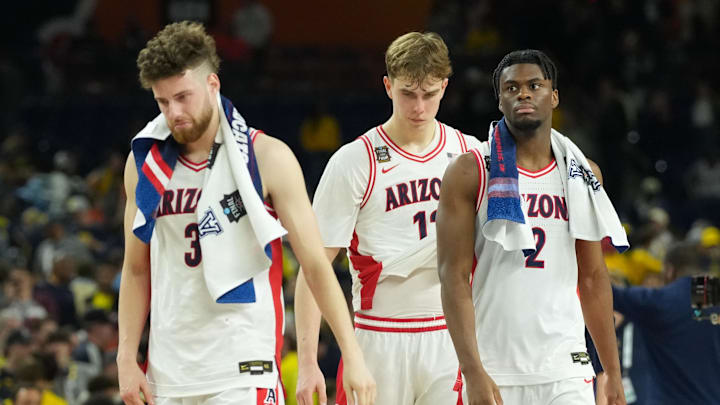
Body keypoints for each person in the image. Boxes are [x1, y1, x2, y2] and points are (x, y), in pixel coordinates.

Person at [116, 21, 375, 405]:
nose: (174, 112)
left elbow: (317, 265)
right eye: (162, 102)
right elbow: (136, 267)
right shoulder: (144, 164)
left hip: (243, 366)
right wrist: (125, 356)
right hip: (168, 372)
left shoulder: (267, 157)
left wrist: (351, 354)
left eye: (183, 97)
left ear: (212, 85)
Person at [294, 32, 482, 405]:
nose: (419, 107)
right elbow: (312, 267)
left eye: (429, 94)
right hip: (377, 337)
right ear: (387, 86)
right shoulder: (354, 160)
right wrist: (307, 361)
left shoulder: (471, 153)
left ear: (445, 87)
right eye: (407, 94)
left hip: (451, 336)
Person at [436, 49, 627, 405]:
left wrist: (612, 372)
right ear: (499, 100)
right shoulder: (470, 170)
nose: (523, 94)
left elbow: (592, 277)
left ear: (553, 96)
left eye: (534, 85)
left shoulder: (583, 174)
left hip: (565, 367)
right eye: (511, 88)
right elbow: (453, 277)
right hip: (496, 368)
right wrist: (472, 370)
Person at [611, 243, 720, 404]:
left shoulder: (658, 301)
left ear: (669, 270)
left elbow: (605, 290)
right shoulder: (711, 294)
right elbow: (699, 298)